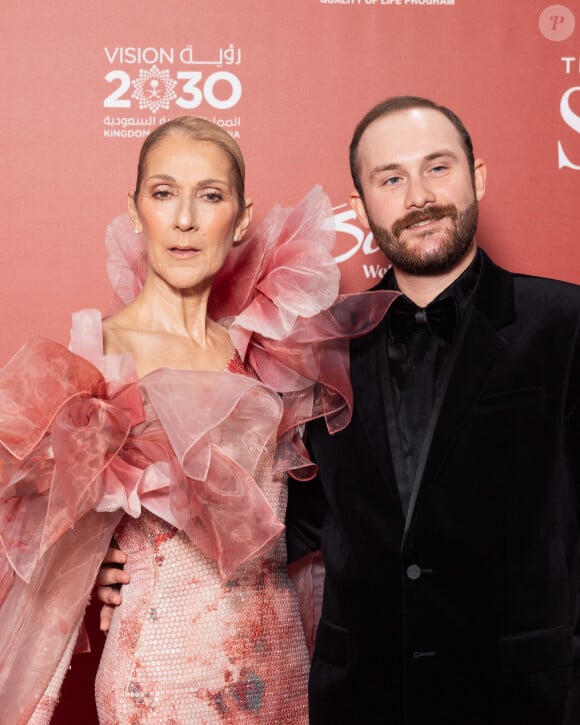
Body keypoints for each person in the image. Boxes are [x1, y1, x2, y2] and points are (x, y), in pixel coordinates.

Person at [0, 116, 396, 723]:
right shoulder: (92, 362)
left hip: (282, 668)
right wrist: (80, 571)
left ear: (240, 218)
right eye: (163, 193)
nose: (185, 218)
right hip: (158, 683)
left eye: (209, 196)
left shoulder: (267, 352)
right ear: (136, 212)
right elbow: (22, 545)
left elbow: (323, 518)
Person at [285, 96, 580, 725]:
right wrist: (131, 560)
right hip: (361, 699)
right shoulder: (319, 346)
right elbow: (287, 518)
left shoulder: (567, 325)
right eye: (391, 178)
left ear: (477, 178)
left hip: (526, 701)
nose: (418, 195)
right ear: (362, 207)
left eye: (438, 168)